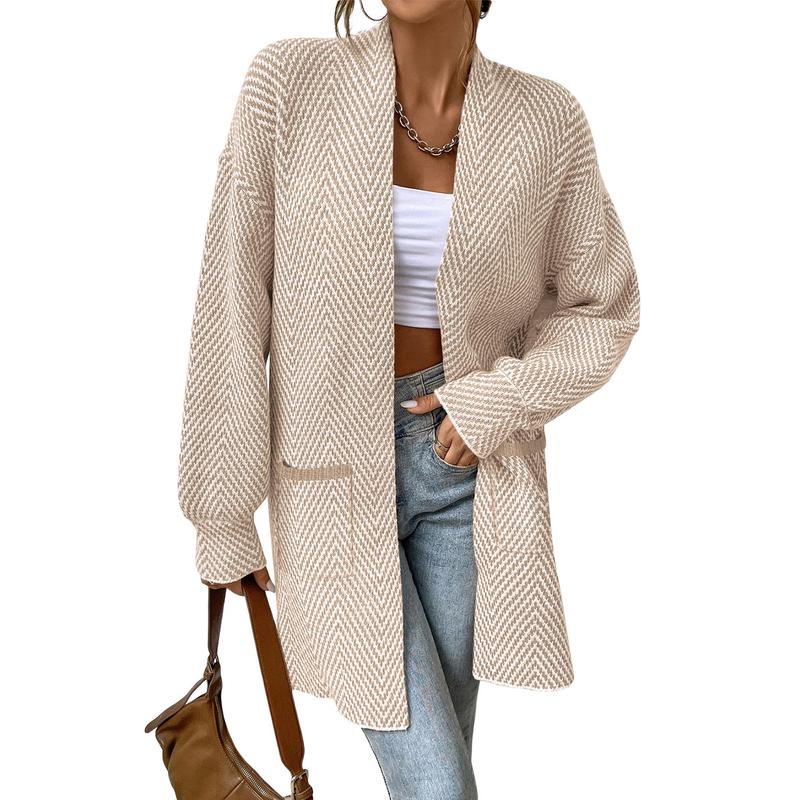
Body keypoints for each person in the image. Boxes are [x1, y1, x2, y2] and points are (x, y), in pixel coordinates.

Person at [176, 1, 640, 797]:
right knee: (438, 784)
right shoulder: (288, 85)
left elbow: (604, 307)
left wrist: (496, 402)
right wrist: (221, 511)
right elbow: (232, 299)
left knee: (440, 769)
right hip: (330, 481)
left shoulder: (546, 120)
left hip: (468, 471)